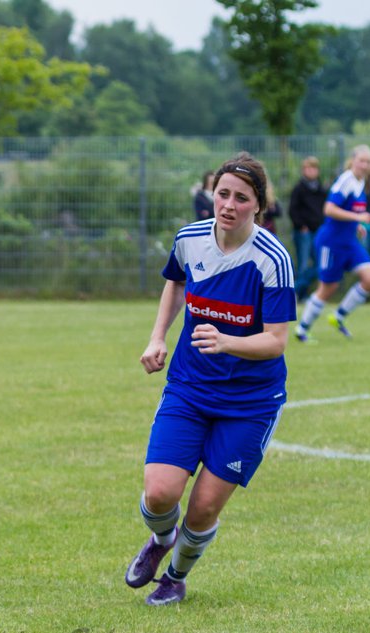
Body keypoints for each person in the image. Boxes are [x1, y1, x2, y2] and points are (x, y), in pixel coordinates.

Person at [126, 153, 294, 606]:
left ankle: (176, 577)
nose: (229, 205)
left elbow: (276, 341)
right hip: (190, 387)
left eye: (242, 198)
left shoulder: (272, 259)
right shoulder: (190, 239)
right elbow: (176, 284)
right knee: (160, 494)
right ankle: (161, 540)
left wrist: (227, 341)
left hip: (250, 402)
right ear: (212, 194)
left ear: (258, 206)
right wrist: (157, 337)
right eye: (223, 194)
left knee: (202, 507)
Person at [295, 144, 370, 341]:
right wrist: (358, 218)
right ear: (353, 160)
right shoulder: (346, 180)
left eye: (369, 162)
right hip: (331, 242)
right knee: (328, 288)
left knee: (369, 279)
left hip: (349, 242)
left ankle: (338, 317)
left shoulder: (360, 181)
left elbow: (351, 212)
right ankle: (302, 329)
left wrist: (357, 225)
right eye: (362, 160)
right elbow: (329, 209)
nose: (365, 165)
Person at [288, 156, 325, 302]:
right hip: (303, 232)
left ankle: (295, 290)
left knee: (319, 265)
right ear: (304, 170)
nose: (311, 171)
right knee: (303, 266)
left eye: (313, 168)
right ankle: (298, 295)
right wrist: (300, 226)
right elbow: (293, 210)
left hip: (318, 231)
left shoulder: (322, 190)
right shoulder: (299, 189)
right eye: (308, 168)